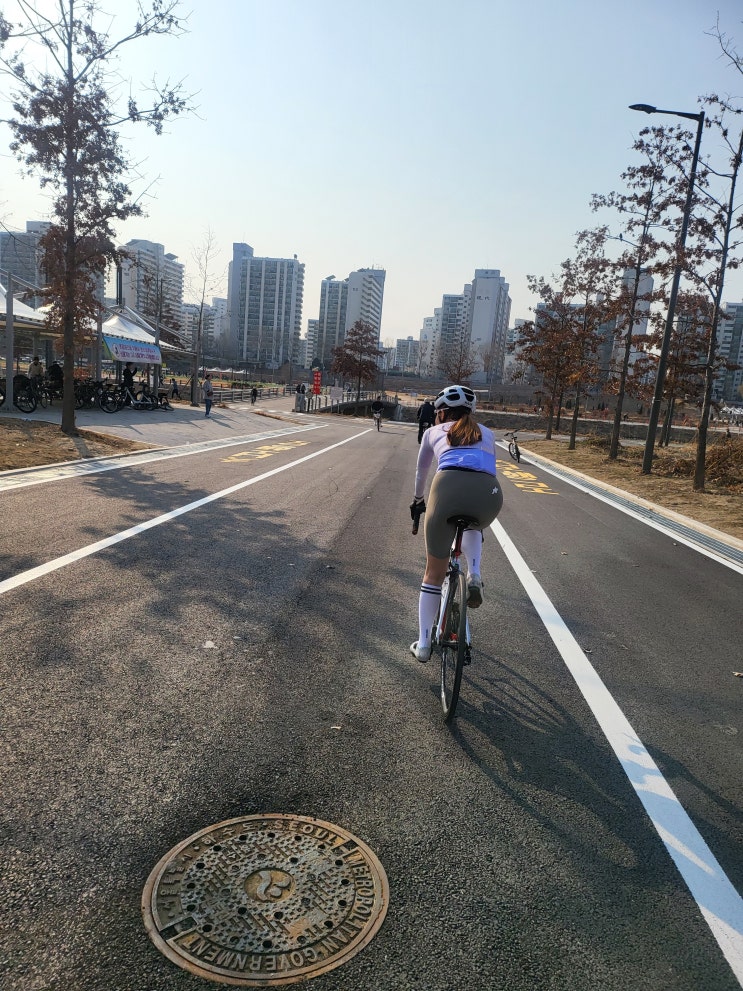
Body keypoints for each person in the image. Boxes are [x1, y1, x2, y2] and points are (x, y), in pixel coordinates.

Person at [409, 384, 503, 663]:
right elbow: (488, 467)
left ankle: (424, 645)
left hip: (447, 489)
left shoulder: (433, 432)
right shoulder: (487, 433)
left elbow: (421, 472)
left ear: (440, 413)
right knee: (474, 523)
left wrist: (418, 501)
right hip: (489, 494)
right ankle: (474, 574)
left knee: (433, 574)